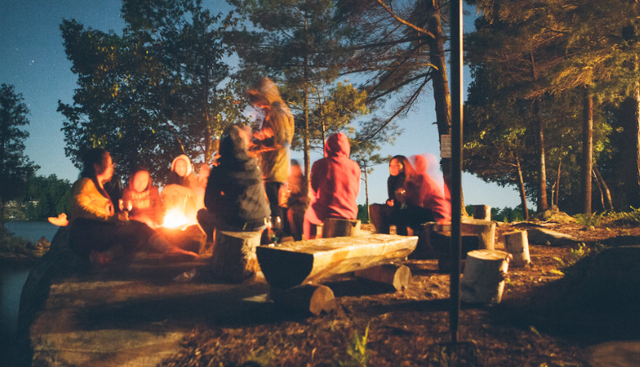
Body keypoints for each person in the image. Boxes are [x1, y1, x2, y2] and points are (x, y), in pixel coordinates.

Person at [68, 148, 197, 265]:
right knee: (140, 227)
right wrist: (111, 219)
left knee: (138, 237)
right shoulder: (85, 183)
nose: (112, 166)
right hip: (85, 234)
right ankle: (170, 249)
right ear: (97, 166)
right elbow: (79, 207)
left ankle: (104, 256)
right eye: (109, 163)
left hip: (97, 232)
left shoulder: (100, 186)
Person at [201, 125, 271, 235]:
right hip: (262, 220)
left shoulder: (220, 170)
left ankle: (213, 244)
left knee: (201, 214)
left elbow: (209, 203)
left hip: (238, 223)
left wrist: (227, 205)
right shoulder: (254, 166)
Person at [247, 77, 295, 235]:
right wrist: (260, 136)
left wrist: (256, 147)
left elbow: (281, 141)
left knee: (274, 208)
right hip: (274, 168)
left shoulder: (278, 111)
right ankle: (280, 238)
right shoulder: (276, 111)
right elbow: (274, 136)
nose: (257, 105)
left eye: (258, 100)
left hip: (275, 169)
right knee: (275, 206)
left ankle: (277, 241)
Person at [303, 132, 361, 239]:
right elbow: (356, 191)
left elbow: (313, 189)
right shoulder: (355, 166)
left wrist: (315, 200)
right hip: (350, 212)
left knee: (307, 217)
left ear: (327, 147)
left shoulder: (320, 164)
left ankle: (309, 243)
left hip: (327, 211)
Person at [410, 154, 451, 224]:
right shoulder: (420, 178)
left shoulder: (423, 179)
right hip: (439, 213)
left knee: (409, 213)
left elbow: (418, 201)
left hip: (437, 214)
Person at [162, 154, 200, 223]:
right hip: (175, 207)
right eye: (178, 166)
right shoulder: (172, 178)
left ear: (188, 167)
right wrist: (172, 189)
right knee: (170, 194)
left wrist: (175, 187)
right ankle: (172, 218)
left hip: (191, 209)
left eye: (183, 166)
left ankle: (189, 220)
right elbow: (163, 192)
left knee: (179, 194)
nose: (180, 168)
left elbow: (195, 193)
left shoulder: (192, 177)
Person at [284, 160, 310, 240]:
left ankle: (301, 236)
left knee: (296, 213)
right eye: (292, 168)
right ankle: (296, 237)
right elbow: (286, 198)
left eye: (295, 168)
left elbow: (306, 198)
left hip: (302, 207)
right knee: (291, 212)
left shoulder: (304, 181)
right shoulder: (287, 180)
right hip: (291, 206)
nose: (294, 170)